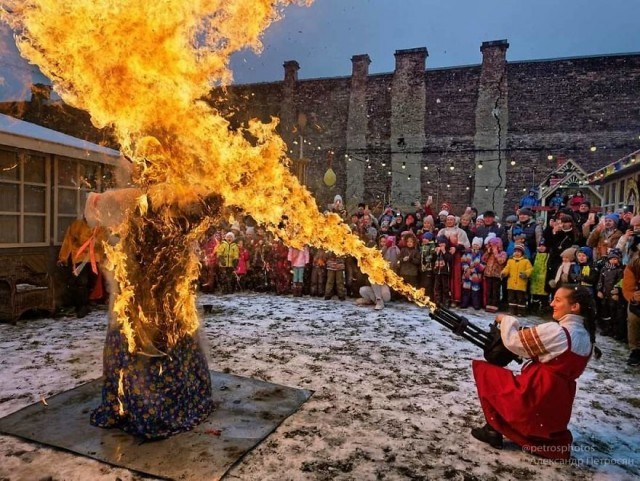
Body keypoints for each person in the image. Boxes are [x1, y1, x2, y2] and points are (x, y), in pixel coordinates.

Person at [471, 285, 600, 459]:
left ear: (574, 307)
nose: (552, 303)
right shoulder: (587, 338)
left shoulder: (559, 332)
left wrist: (506, 320)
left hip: (536, 392)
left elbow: (514, 341)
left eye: (558, 300)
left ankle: (493, 428)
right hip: (558, 402)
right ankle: (505, 429)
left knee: (487, 373)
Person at [57, 217, 107, 318]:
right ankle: (81, 307)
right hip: (80, 258)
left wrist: (99, 245)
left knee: (92, 282)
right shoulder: (77, 224)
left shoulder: (100, 225)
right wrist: (63, 257)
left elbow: (104, 241)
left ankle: (87, 303)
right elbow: (68, 240)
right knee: (81, 282)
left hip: (95, 258)